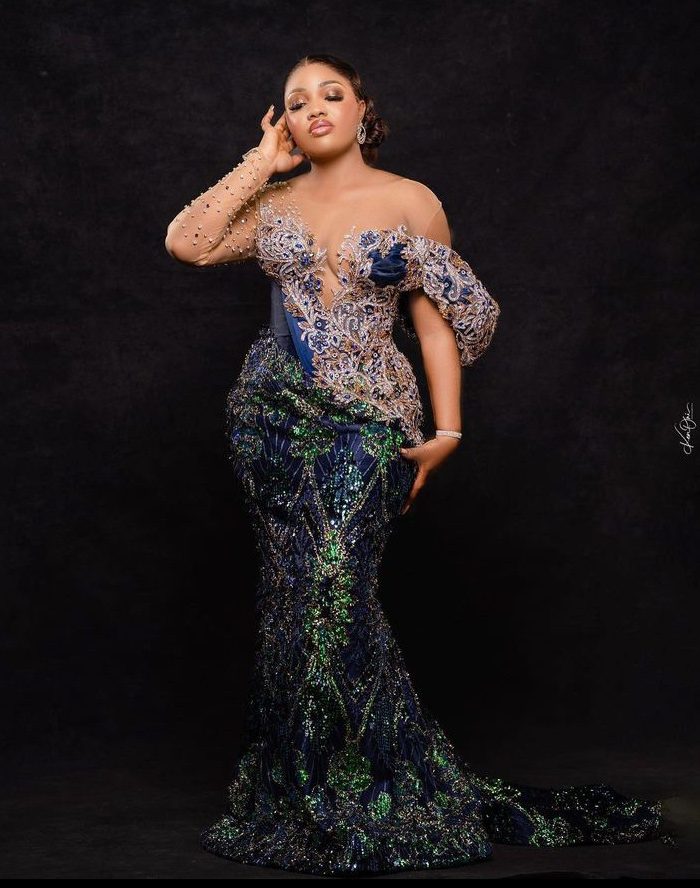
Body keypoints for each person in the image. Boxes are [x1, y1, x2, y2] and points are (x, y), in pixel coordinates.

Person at [164, 54, 676, 876]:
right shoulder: (273, 204)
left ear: (363, 108)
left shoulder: (412, 201)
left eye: (332, 94)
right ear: (283, 123)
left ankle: (384, 784)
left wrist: (449, 430)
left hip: (369, 422)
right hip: (270, 419)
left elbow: (436, 326)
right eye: (296, 102)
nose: (314, 108)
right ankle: (299, 787)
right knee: (294, 601)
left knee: (335, 590)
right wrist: (261, 161)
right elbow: (187, 243)